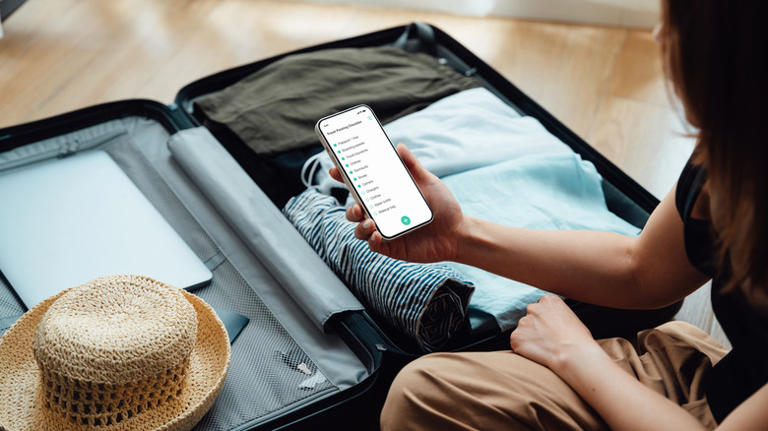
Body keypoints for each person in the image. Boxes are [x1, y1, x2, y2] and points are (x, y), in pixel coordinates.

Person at [328, 1, 768, 429]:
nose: (657, 36)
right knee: (423, 393)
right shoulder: (736, 153)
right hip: (716, 388)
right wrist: (460, 235)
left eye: (676, 26)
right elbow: (641, 270)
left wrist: (576, 355)